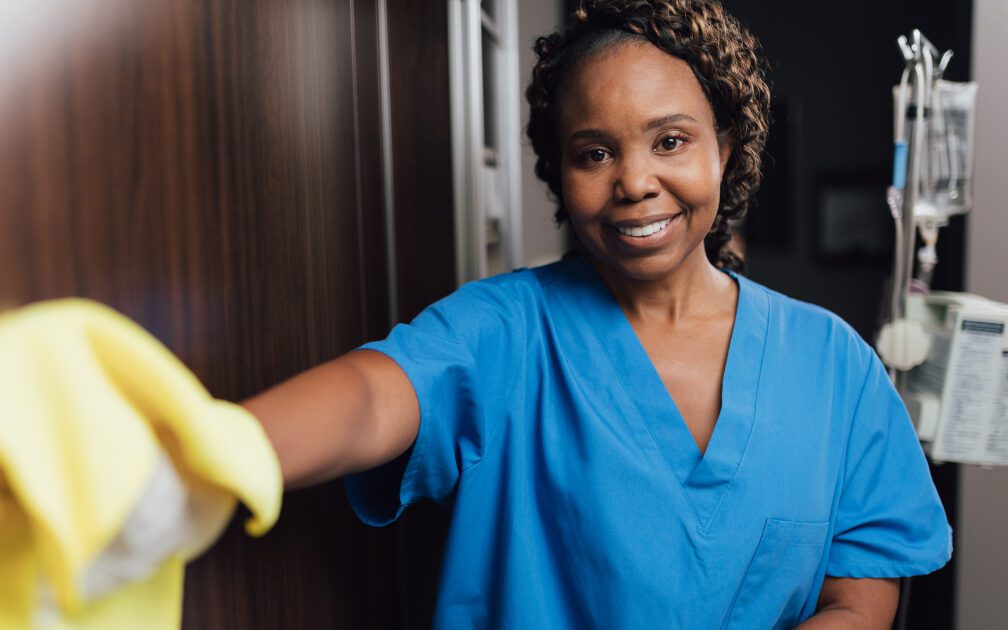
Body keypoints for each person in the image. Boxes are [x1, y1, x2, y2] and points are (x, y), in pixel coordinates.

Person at [240, 1, 952, 627]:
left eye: (670, 140)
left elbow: (858, 603)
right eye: (594, 152)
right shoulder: (507, 331)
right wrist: (213, 449)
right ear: (560, 174)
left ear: (725, 150)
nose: (636, 182)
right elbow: (372, 396)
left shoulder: (833, 366)